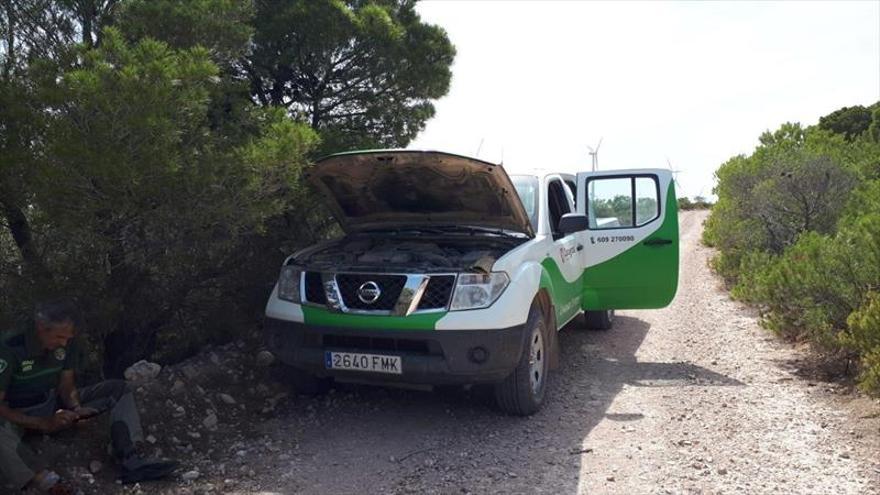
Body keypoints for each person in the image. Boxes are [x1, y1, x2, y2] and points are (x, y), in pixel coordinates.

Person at [0, 298, 177, 492]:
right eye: (59, 337)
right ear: (41, 327)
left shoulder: (67, 341)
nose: (64, 343)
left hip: (49, 401)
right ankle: (45, 482)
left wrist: (76, 408)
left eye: (68, 339)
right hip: (15, 413)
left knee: (119, 389)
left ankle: (129, 457)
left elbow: (66, 384)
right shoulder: (9, 347)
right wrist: (43, 423)